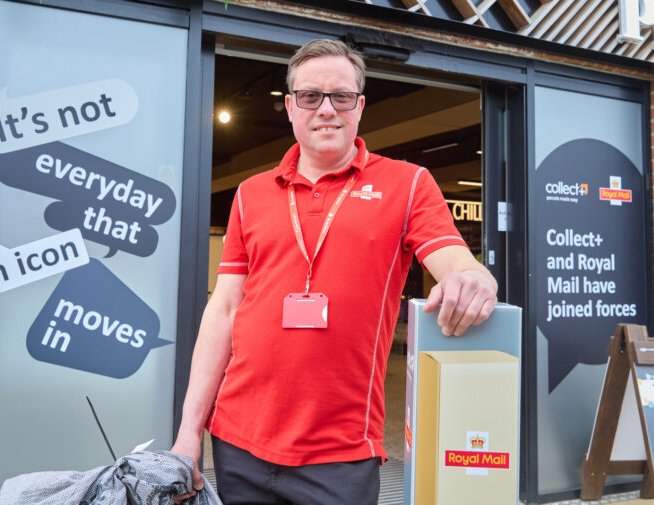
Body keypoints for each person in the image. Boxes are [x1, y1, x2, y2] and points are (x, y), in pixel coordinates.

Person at [172, 39, 497, 505]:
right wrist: (189, 434)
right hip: (237, 440)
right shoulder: (250, 193)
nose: (326, 109)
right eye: (310, 96)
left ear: (360, 106)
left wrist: (475, 277)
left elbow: (454, 260)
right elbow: (223, 310)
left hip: (340, 453)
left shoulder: (407, 185)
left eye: (341, 96)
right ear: (289, 107)